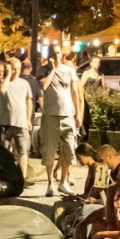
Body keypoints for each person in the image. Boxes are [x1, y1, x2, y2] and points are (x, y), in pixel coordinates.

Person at [38, 57, 83, 198]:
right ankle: (50, 183)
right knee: (49, 151)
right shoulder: (43, 70)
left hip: (67, 114)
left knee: (69, 148)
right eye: (53, 53)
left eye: (58, 53)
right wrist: (52, 69)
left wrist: (78, 114)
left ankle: (64, 181)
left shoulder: (69, 70)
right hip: (50, 115)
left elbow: (75, 92)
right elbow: (44, 86)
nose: (55, 56)